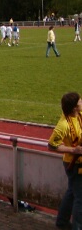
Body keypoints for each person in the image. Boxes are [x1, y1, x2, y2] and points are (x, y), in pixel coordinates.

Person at [48, 92, 82, 229]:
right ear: (74, 107)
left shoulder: (78, 115)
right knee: (80, 199)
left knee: (72, 192)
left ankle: (62, 222)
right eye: (80, 101)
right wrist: (73, 150)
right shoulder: (63, 125)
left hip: (77, 163)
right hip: (74, 165)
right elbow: (52, 145)